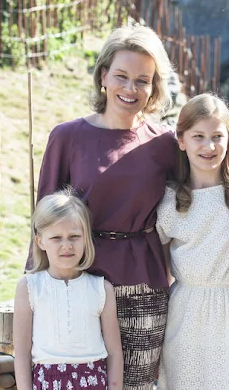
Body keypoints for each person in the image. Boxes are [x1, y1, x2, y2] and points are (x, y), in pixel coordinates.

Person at [26, 25, 178, 390]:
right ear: (103, 76)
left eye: (143, 80)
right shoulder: (67, 137)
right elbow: (43, 220)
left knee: (138, 384)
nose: (131, 88)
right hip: (77, 280)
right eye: (122, 76)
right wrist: (35, 287)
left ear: (154, 86)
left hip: (143, 284)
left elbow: (203, 192)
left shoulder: (166, 143)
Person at [155, 93, 229, 389]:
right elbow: (158, 262)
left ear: (228, 138)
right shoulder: (170, 201)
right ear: (181, 140)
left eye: (217, 136)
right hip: (185, 310)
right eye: (198, 136)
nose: (208, 146)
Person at [14, 190, 124, 390]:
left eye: (74, 236)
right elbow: (21, 353)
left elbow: (115, 352)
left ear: (85, 238)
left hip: (93, 382)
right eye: (56, 237)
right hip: (47, 382)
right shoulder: (29, 288)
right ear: (40, 241)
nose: (67, 245)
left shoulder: (101, 289)